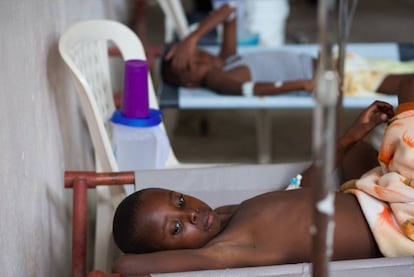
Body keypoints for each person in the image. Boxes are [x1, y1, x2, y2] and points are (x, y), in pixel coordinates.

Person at [111, 96, 405, 275]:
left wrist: (350, 137)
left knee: (375, 139)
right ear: (166, 252)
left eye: (179, 201)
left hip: (375, 193)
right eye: (175, 229)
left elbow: (299, 190)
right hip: (395, 223)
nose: (190, 214)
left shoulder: (230, 214)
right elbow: (124, 266)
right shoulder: (225, 249)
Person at [161, 4, 414, 98]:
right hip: (332, 78)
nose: (201, 57)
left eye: (196, 52)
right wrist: (299, 84)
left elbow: (230, 12)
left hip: (332, 63)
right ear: (190, 83)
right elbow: (251, 90)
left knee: (400, 71)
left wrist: (191, 38)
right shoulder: (219, 79)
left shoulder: (227, 58)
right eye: (193, 64)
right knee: (398, 83)